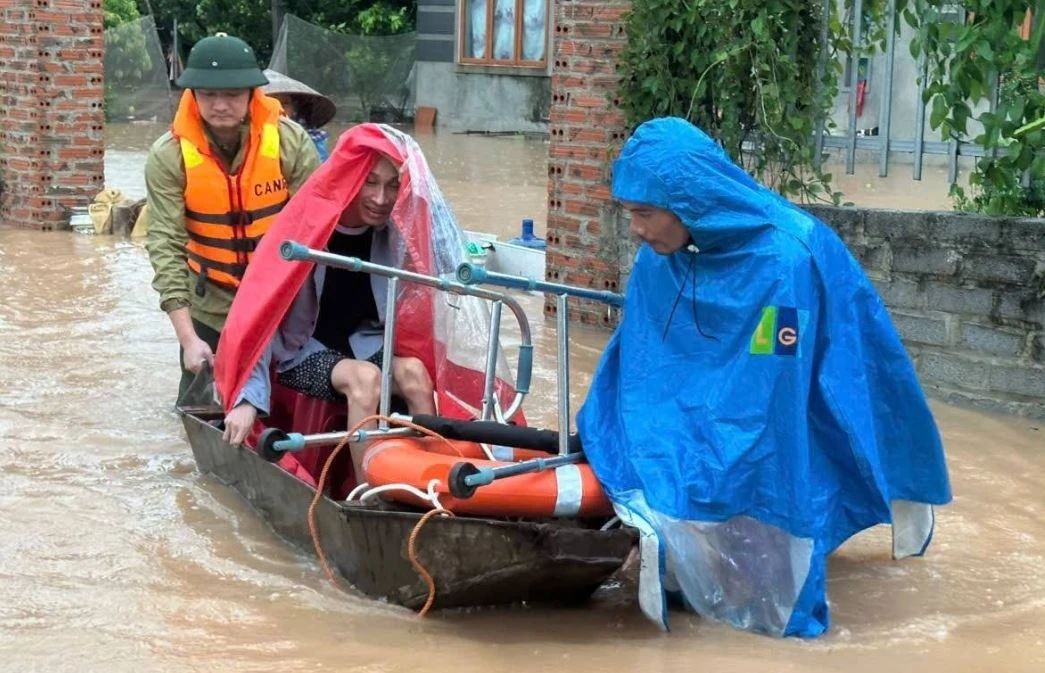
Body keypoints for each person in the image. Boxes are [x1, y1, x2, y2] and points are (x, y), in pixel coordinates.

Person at [576, 117, 952, 638]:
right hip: (744, 372)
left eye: (644, 213)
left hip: (806, 356)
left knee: (798, 444)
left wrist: (707, 450)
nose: (636, 228)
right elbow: (643, 363)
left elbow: (771, 384)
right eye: (629, 213)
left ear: (689, 203)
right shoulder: (658, 260)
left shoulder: (785, 261)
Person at [213, 123, 523, 483]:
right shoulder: (302, 231)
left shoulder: (396, 232)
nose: (381, 198)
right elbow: (259, 319)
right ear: (350, 179)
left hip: (364, 344)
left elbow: (445, 267)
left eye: (392, 185)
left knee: (415, 374)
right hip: (303, 352)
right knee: (365, 379)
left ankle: (432, 476)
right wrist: (246, 399)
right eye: (370, 182)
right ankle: (368, 493)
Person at [144, 32, 322, 404]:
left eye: (232, 95)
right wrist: (188, 339)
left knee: (292, 400)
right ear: (192, 95)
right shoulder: (168, 155)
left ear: (252, 94)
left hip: (280, 300)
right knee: (199, 409)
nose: (220, 105)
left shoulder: (290, 142)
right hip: (210, 306)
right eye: (208, 94)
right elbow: (165, 246)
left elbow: (318, 227)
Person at [261, 69, 336, 162]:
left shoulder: (308, 138)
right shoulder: (251, 136)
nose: (279, 108)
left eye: (285, 103)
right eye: (271, 102)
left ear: (293, 108)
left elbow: (318, 168)